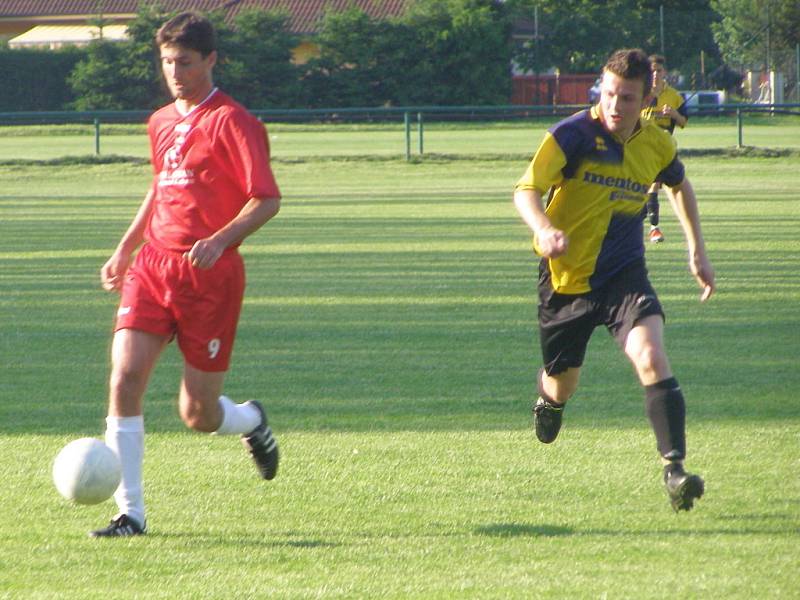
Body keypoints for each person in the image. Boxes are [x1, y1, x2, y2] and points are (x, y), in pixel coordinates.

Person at [91, 12, 282, 537]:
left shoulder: (234, 122)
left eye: (186, 62)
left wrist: (221, 239)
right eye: (167, 61)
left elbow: (267, 199)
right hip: (154, 268)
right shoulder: (159, 121)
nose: (175, 71)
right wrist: (126, 247)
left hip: (211, 277)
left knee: (197, 414)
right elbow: (160, 187)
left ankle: (251, 421)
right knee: (124, 378)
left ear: (211, 60)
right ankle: (130, 512)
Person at [513, 48, 715, 512]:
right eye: (608, 94)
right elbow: (526, 189)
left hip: (624, 276)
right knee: (562, 382)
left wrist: (697, 250)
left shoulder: (657, 144)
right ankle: (550, 400)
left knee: (650, 354)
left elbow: (679, 184)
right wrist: (544, 229)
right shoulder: (573, 135)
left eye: (626, 97)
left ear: (645, 98)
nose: (614, 105)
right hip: (566, 280)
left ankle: (674, 469)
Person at [641, 54, 689, 243]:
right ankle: (646, 225)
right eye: (652, 71)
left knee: (655, 185)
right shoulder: (641, 94)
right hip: (642, 146)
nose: (655, 74)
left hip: (663, 148)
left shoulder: (674, 96)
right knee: (645, 187)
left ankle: (654, 228)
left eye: (658, 71)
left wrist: (674, 114)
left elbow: (683, 122)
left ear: (664, 72)